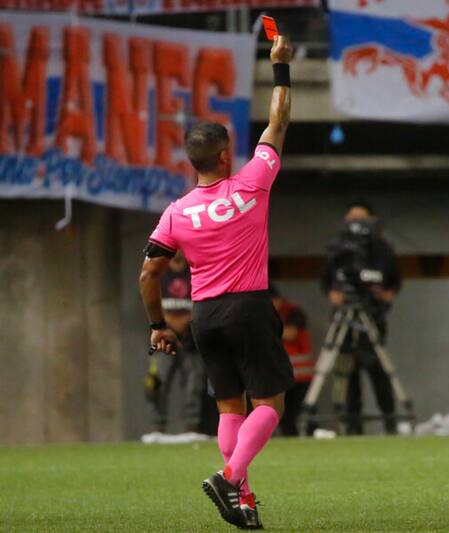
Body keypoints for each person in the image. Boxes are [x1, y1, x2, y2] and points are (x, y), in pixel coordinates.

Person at [138, 36, 293, 530]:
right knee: (269, 403)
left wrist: (158, 325)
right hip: (248, 306)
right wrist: (280, 67)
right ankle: (229, 478)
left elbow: (149, 272)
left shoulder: (176, 213)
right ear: (226, 156)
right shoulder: (252, 182)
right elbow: (277, 122)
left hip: (204, 316)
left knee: (230, 408)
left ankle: (243, 501)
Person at [321, 200, 402, 435]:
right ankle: (351, 424)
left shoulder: (382, 249)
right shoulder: (338, 249)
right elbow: (326, 280)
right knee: (347, 371)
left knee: (377, 369)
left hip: (371, 316)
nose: (356, 224)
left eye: (361, 219)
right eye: (352, 219)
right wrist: (333, 293)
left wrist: (384, 295)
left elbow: (394, 280)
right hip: (344, 320)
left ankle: (390, 420)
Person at [143, 251, 206, 437]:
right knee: (157, 383)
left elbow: (205, 300)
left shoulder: (196, 271)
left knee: (195, 384)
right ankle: (157, 428)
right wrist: (167, 321)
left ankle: (192, 427)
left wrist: (185, 320)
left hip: (191, 339)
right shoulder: (158, 271)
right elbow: (148, 299)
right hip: (164, 340)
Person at [271, 286, 315, 436]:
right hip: (280, 375)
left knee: (303, 410)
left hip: (301, 375)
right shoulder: (268, 314)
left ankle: (310, 434)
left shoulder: (293, 311)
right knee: (285, 415)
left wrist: (266, 329)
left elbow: (291, 333)